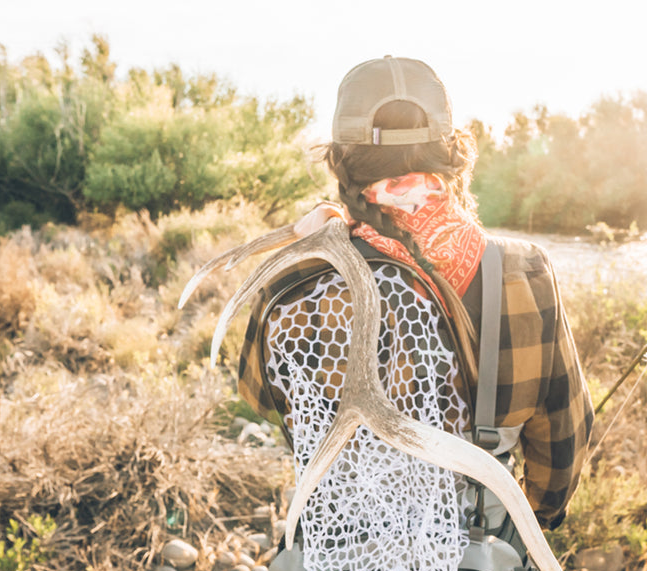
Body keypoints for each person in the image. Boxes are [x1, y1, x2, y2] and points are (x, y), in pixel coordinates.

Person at [236, 55, 593, 534]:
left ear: (343, 165)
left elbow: (260, 396)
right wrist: (525, 525)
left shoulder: (300, 278)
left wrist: (311, 243)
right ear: (454, 156)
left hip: (342, 553)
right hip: (479, 551)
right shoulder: (524, 272)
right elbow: (564, 439)